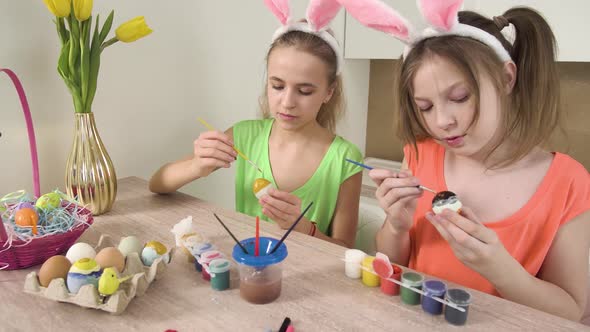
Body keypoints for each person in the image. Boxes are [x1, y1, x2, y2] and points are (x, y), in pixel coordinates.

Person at [342, 0, 590, 321]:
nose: (442, 121)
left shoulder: (568, 182)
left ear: (506, 78)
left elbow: (571, 312)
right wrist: (397, 226)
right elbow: (391, 265)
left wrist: (500, 270)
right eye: (425, 107)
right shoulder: (419, 154)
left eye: (459, 98)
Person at [149, 0, 362, 248]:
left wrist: (303, 227)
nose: (287, 102)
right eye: (278, 86)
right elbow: (157, 183)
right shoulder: (245, 136)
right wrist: (197, 165)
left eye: (304, 91)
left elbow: (346, 250)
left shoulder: (345, 159)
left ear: (329, 92)